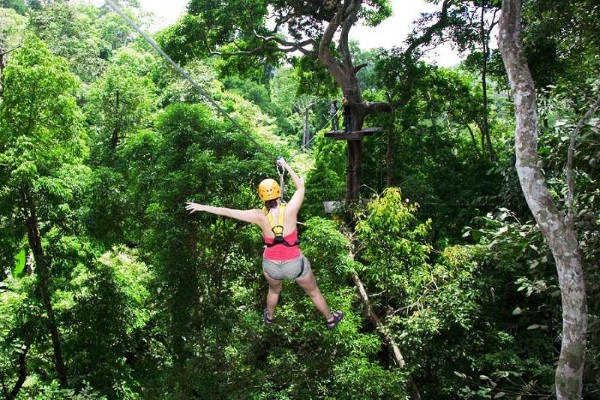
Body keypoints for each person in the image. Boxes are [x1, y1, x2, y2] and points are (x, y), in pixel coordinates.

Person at [185, 158, 344, 329]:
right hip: (294, 265)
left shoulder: (257, 215)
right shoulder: (291, 209)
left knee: (274, 290)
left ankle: (269, 317)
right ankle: (329, 319)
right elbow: (300, 187)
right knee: (313, 292)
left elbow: (228, 212)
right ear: (278, 192)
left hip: (272, 267)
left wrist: (201, 206)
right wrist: (285, 165)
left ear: (261, 196)